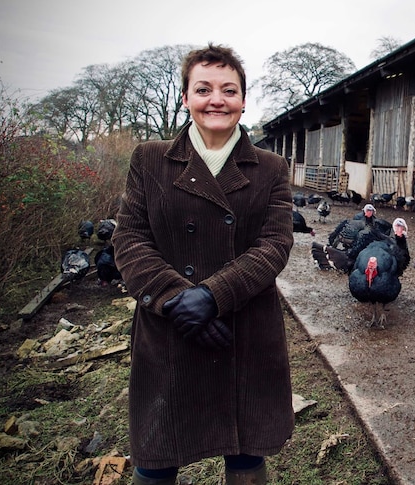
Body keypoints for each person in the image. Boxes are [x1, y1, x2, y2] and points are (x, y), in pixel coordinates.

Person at [113, 44, 294, 485]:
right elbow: (130, 237)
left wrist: (213, 296)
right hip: (170, 329)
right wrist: (178, 299)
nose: (217, 99)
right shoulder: (149, 159)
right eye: (204, 89)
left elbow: (274, 244)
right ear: (186, 97)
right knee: (156, 458)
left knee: (246, 456)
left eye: (229, 90)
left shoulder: (270, 167)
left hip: (242, 330)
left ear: (243, 100)